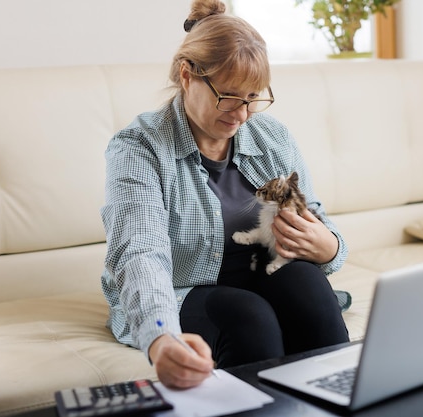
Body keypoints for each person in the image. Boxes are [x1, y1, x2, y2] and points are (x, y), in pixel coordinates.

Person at [100, 0, 349, 389]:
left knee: (309, 287)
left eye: (253, 96)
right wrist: (161, 337)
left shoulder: (272, 137)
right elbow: (140, 253)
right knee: (249, 317)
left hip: (259, 279)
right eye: (229, 95)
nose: (242, 113)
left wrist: (328, 246)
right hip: (184, 292)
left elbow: (317, 218)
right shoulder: (139, 148)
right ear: (187, 75)